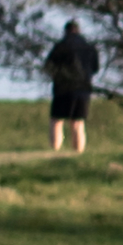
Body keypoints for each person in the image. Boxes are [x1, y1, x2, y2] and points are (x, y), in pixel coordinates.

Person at [45, 20, 101, 153]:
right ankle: (78, 153)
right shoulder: (89, 47)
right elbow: (95, 68)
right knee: (78, 122)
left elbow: (49, 66)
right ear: (78, 30)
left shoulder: (61, 46)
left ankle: (55, 151)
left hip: (63, 89)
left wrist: (59, 77)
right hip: (83, 89)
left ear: (65, 31)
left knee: (57, 120)